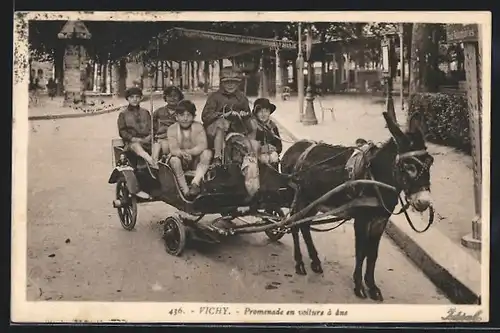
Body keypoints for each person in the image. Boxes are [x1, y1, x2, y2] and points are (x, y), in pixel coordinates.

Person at [201, 66, 258, 166]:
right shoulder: (214, 97)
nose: (230, 85)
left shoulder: (242, 97)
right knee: (222, 124)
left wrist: (245, 115)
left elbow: (249, 113)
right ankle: (217, 157)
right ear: (222, 83)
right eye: (227, 82)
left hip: (236, 128)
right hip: (215, 130)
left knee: (254, 123)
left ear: (238, 83)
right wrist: (223, 115)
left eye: (234, 82)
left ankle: (251, 152)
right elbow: (205, 116)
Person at [167, 100, 213, 200]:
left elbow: (202, 145)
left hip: (195, 158)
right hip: (179, 159)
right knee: (174, 160)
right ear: (176, 116)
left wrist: (189, 152)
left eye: (188, 115)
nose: (185, 118)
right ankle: (185, 191)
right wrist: (182, 154)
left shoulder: (198, 127)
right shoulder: (172, 129)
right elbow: (173, 148)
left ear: (193, 116)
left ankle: (195, 182)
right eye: (182, 115)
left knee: (207, 153)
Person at [117, 87, 158, 169]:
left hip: (147, 141)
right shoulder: (123, 114)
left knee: (157, 145)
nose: (134, 99)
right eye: (132, 97)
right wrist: (133, 138)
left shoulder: (145, 112)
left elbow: (152, 127)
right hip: (132, 143)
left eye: (137, 97)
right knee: (136, 146)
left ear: (141, 98)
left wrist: (150, 137)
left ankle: (155, 161)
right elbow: (122, 132)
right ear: (127, 99)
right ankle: (152, 163)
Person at [152, 86, 184, 163]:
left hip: (176, 139)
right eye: (169, 96)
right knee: (158, 145)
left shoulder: (183, 112)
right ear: (165, 98)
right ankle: (154, 163)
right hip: (161, 138)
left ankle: (166, 160)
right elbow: (152, 125)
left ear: (180, 98)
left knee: (166, 145)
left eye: (175, 96)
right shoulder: (159, 111)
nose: (172, 98)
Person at [252, 98, 283, 168]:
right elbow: (250, 146)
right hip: (257, 156)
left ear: (269, 112)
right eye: (260, 112)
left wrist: (275, 149)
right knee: (263, 159)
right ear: (256, 114)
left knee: (274, 157)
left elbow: (279, 145)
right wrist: (263, 149)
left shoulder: (273, 126)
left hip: (271, 155)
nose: (263, 114)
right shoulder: (253, 127)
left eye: (266, 111)